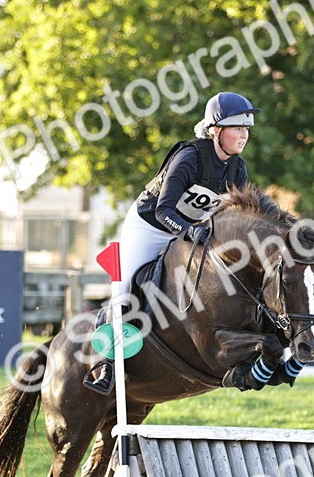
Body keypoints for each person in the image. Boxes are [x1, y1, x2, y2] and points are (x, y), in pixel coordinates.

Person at [84, 91, 258, 393]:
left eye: (246, 128)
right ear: (216, 130)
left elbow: (231, 217)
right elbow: (164, 210)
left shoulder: (237, 168)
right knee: (126, 291)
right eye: (237, 128)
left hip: (191, 231)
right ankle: (106, 364)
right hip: (149, 226)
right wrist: (190, 231)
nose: (244, 134)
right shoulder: (190, 157)